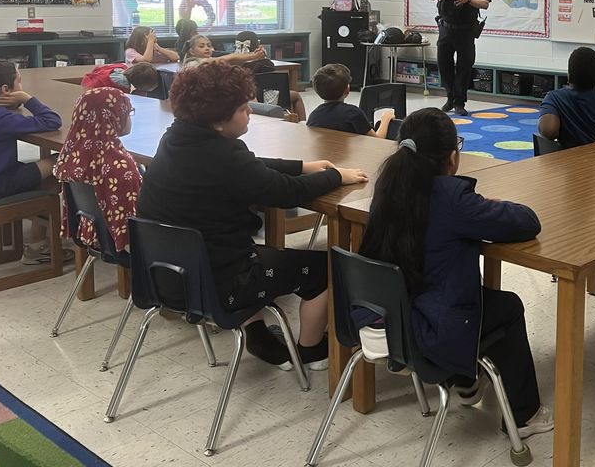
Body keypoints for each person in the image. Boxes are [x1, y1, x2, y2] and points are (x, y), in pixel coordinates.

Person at [136, 63, 369, 369]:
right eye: (243, 108)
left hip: (170, 277)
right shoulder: (225, 156)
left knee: (249, 254)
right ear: (219, 121)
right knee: (327, 269)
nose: (249, 113)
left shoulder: (175, 140)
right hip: (221, 284)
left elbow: (251, 167)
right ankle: (311, 351)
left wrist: (303, 166)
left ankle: (259, 338)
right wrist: (336, 175)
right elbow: (286, 192)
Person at [357, 108, 553, 438]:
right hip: (428, 328)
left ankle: (465, 383)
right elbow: (528, 222)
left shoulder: (389, 185)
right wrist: (483, 205)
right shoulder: (451, 198)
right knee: (507, 306)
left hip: (389, 314)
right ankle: (523, 414)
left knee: (470, 296)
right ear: (452, 156)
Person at [0, 59, 66, 264]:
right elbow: (52, 121)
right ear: (5, 90)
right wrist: (26, 98)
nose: (22, 87)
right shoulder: (1, 119)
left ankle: (36, 243)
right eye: (20, 82)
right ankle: (37, 247)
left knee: (47, 176)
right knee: (62, 160)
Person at [54, 88, 140, 251]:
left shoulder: (72, 154)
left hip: (91, 233)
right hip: (120, 244)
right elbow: (132, 219)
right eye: (128, 112)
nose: (129, 116)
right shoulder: (120, 167)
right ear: (114, 116)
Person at [428, 0, 491, 116]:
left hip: (466, 31)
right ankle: (450, 97)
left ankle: (460, 102)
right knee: (444, 64)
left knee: (464, 68)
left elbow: (485, 3)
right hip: (446, 30)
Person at [307, 63, 394, 138]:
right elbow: (377, 141)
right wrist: (385, 119)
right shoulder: (353, 113)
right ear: (347, 89)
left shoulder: (314, 116)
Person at [180, 34, 266, 69]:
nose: (207, 48)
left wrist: (257, 55)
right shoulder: (192, 63)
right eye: (201, 46)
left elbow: (236, 62)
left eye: (209, 46)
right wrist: (254, 56)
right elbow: (232, 57)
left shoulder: (211, 59)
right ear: (192, 51)